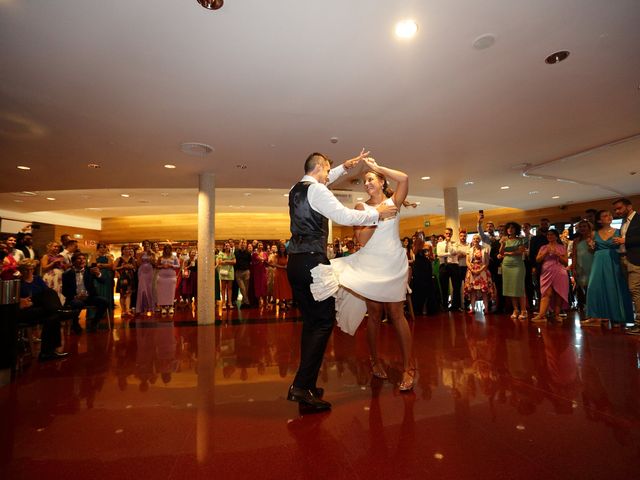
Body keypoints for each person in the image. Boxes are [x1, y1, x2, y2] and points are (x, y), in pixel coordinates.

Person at [286, 150, 397, 412]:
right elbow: (345, 217)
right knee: (324, 321)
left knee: (313, 322)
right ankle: (302, 387)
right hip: (312, 262)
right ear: (321, 166)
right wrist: (376, 214)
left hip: (295, 263)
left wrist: (344, 168)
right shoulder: (319, 191)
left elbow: (320, 181)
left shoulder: (296, 188)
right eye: (328, 169)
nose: (329, 173)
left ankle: (308, 384)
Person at [310, 157, 414, 391]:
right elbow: (361, 239)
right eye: (365, 180)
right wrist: (378, 216)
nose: (366, 183)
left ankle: (409, 367)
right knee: (375, 315)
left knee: (397, 314)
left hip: (394, 263)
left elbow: (405, 179)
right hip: (370, 265)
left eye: (371, 179)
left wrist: (376, 167)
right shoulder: (362, 207)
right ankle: (375, 361)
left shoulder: (394, 201)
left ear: (381, 181)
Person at [584, 210, 634, 327]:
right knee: (594, 287)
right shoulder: (594, 233)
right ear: (599, 220)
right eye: (605, 215)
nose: (609, 217)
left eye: (610, 215)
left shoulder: (618, 231)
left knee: (614, 287)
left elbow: (625, 247)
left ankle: (617, 317)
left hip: (614, 259)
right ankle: (597, 315)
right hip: (598, 260)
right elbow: (591, 250)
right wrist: (590, 245)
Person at [17, 259, 69, 361]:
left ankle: (47, 353)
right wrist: (21, 301)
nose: (29, 272)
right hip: (26, 311)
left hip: (39, 307)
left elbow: (47, 296)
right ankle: (47, 352)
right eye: (26, 270)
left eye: (31, 269)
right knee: (54, 314)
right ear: (21, 270)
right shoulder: (18, 281)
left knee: (50, 297)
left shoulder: (37, 279)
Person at [612, 198, 640, 335]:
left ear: (629, 206)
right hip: (624, 259)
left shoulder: (638, 219)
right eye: (615, 209)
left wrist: (625, 240)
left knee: (635, 290)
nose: (617, 212)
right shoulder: (624, 223)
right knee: (633, 291)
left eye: (619, 208)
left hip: (636, 260)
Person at [62, 252, 109, 333]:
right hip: (75, 298)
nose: (82, 261)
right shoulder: (67, 274)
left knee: (104, 301)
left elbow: (103, 281)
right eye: (79, 259)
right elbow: (64, 291)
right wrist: (75, 297)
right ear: (73, 262)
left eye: (84, 259)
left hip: (90, 297)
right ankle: (75, 324)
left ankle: (94, 323)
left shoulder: (90, 271)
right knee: (77, 304)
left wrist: (98, 274)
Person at [532, 229, 569, 323]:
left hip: (559, 271)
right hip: (546, 272)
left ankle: (556, 315)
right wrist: (545, 253)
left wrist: (558, 255)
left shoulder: (561, 247)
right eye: (548, 235)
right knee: (546, 293)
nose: (550, 236)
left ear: (556, 236)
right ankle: (541, 315)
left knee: (559, 293)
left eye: (552, 235)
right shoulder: (543, 247)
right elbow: (537, 260)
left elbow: (565, 262)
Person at [499, 222, 528, 320]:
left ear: (516, 229)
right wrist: (502, 244)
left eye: (512, 228)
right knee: (510, 288)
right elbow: (501, 252)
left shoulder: (521, 239)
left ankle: (524, 310)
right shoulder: (504, 240)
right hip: (506, 265)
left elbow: (520, 252)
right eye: (508, 228)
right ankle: (515, 309)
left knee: (519, 287)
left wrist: (508, 253)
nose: (510, 230)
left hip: (517, 265)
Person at [463, 234, 494, 314]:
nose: (475, 240)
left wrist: (479, 270)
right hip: (472, 272)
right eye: (474, 239)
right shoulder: (469, 250)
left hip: (482, 271)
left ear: (480, 240)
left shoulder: (485, 249)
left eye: (477, 239)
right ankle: (472, 309)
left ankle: (486, 309)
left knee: (484, 291)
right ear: (472, 240)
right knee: (472, 291)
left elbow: (487, 262)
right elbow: (467, 261)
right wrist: (472, 269)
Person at [436, 228, 461, 311]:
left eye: (450, 233)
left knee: (456, 287)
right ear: (444, 234)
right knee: (444, 287)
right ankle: (445, 306)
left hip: (454, 265)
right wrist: (449, 254)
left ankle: (455, 306)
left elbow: (454, 252)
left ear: (452, 234)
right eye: (447, 233)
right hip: (443, 266)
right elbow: (439, 254)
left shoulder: (455, 243)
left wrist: (449, 244)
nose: (448, 235)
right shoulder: (439, 244)